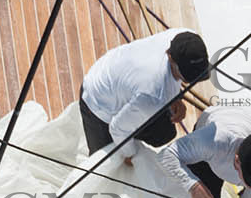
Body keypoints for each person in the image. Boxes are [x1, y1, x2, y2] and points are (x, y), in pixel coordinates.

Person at [80, 29, 211, 163]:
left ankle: (133, 118)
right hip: (98, 103)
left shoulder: (184, 36)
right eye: (186, 77)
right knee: (101, 163)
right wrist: (129, 155)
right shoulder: (152, 94)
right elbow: (118, 128)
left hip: (122, 79)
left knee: (165, 133)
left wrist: (176, 97)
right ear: (169, 56)